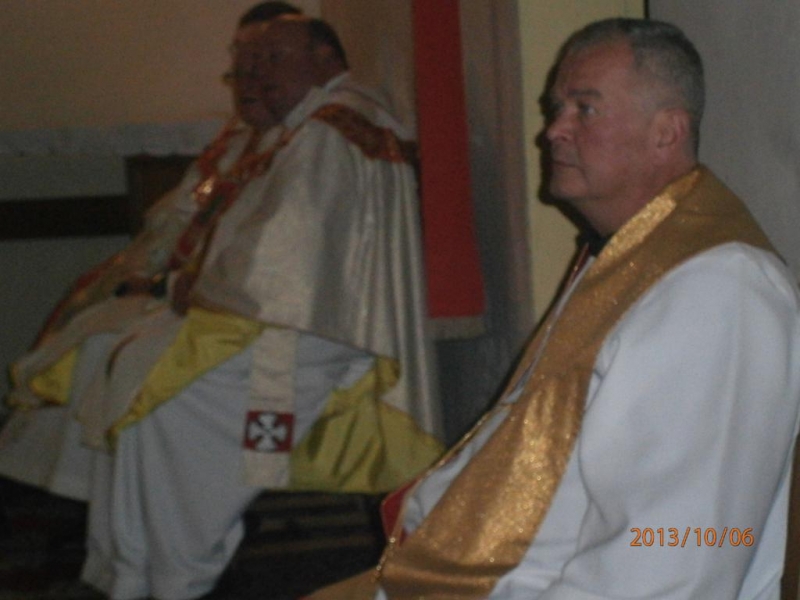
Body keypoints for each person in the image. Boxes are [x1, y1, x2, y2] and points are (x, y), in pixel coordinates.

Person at [306, 17, 800, 600]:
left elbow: (677, 558)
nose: (553, 131)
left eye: (584, 109)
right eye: (556, 109)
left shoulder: (719, 291)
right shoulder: (627, 253)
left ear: (667, 132)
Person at [5, 10, 445, 600]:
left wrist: (189, 285)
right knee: (127, 374)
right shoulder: (308, 124)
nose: (257, 75)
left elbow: (286, 252)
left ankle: (176, 578)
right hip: (282, 315)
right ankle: (130, 571)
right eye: (249, 62)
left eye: (273, 58)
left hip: (307, 332)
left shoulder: (334, 127)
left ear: (325, 58)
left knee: (157, 403)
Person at [0, 1, 304, 501]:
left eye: (263, 61)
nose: (248, 78)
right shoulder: (240, 139)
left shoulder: (297, 146)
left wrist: (165, 283)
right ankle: (84, 492)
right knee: (91, 325)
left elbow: (257, 254)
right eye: (242, 60)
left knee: (106, 347)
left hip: (233, 313)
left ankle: (116, 492)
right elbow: (184, 217)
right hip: (193, 293)